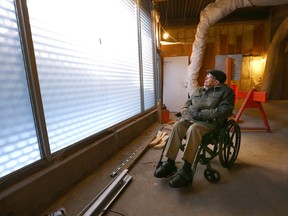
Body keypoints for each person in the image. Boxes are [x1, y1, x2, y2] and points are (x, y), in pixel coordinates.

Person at [154, 69, 235, 188]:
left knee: (194, 129)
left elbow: (225, 110)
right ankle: (170, 162)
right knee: (178, 125)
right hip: (192, 118)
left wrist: (202, 114)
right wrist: (184, 108)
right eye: (206, 76)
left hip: (210, 122)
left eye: (209, 77)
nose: (205, 78)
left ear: (216, 82)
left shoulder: (226, 92)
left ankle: (186, 169)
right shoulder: (200, 90)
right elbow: (189, 101)